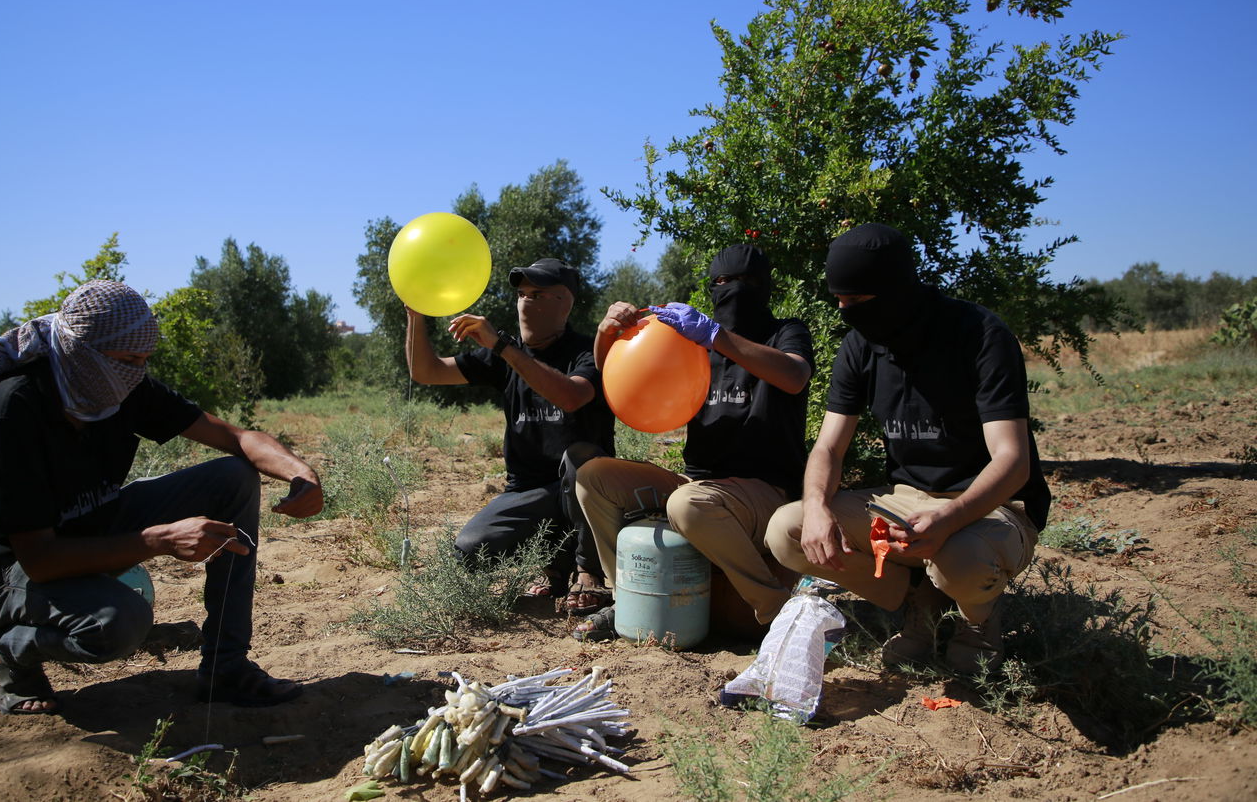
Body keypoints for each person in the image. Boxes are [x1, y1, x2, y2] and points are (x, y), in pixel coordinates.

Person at [0, 280, 325, 715]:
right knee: (119, 622)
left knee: (234, 477)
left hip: (85, 523)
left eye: (144, 361)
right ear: (80, 350)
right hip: (4, 568)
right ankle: (15, 646)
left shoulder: (120, 384)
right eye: (128, 360)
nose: (137, 371)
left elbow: (235, 436)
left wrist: (301, 472)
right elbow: (39, 559)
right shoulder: (11, 410)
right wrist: (159, 540)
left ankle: (226, 667)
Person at [765, 223, 1051, 674]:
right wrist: (818, 507)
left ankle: (979, 618)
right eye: (839, 301)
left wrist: (950, 517)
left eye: (856, 302)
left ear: (896, 290)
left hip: (992, 503)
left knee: (962, 557)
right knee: (790, 529)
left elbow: (1013, 461)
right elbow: (829, 448)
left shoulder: (978, 334)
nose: (845, 312)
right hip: (909, 499)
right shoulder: (861, 346)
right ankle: (923, 604)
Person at [572, 243, 815, 640]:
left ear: (765, 288)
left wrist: (717, 336)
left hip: (765, 490)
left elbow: (795, 376)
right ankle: (628, 597)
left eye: (746, 282)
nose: (733, 290)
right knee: (593, 477)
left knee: (686, 504)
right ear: (711, 288)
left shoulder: (784, 332)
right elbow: (619, 377)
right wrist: (607, 332)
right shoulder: (689, 344)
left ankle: (777, 609)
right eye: (723, 282)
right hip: (699, 483)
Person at [404, 258, 615, 612]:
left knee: (581, 460)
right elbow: (426, 371)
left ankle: (588, 570)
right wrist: (415, 313)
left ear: (565, 302)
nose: (525, 302)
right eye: (521, 294)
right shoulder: (504, 355)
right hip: (528, 494)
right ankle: (553, 565)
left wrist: (502, 346)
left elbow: (571, 395)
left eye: (537, 294)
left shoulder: (588, 352)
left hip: (585, 493)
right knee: (469, 549)